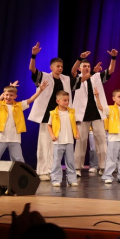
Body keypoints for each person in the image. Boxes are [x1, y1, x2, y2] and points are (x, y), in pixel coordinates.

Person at [29, 42, 80, 181]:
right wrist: (33, 55)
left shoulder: (66, 79)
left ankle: (53, 171)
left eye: (62, 66)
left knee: (55, 146)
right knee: (44, 144)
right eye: (58, 66)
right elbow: (32, 69)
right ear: (51, 67)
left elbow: (79, 79)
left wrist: (80, 61)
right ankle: (42, 171)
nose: (60, 68)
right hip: (46, 116)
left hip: (61, 116)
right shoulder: (45, 76)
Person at [0, 74, 48, 162]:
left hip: (14, 138)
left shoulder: (19, 105)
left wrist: (40, 90)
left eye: (11, 95)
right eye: (6, 95)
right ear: (3, 95)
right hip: (1, 137)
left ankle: (19, 171)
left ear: (15, 96)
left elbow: (31, 99)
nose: (8, 97)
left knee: (18, 159)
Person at [72, 50, 117, 177]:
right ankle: (77, 168)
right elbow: (73, 71)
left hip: (97, 113)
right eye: (84, 66)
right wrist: (79, 58)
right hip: (82, 114)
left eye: (88, 66)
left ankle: (103, 167)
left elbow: (110, 70)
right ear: (80, 68)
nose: (86, 68)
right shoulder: (77, 78)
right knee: (81, 141)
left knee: (101, 140)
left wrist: (113, 58)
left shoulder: (97, 76)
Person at [46, 90, 79, 187]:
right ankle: (56, 180)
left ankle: (72, 180)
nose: (67, 102)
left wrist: (77, 133)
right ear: (58, 101)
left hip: (69, 141)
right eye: (64, 100)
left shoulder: (71, 112)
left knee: (70, 161)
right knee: (57, 161)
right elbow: (49, 125)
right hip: (58, 141)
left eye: (68, 100)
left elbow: (74, 124)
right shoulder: (53, 113)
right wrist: (52, 135)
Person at [99, 89, 120, 184]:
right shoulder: (110, 109)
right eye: (119, 97)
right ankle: (107, 176)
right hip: (113, 138)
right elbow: (100, 107)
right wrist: (97, 97)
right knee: (112, 158)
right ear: (113, 98)